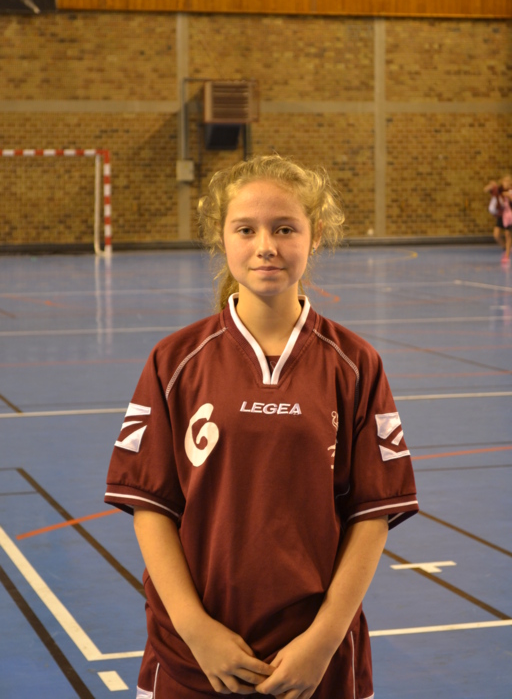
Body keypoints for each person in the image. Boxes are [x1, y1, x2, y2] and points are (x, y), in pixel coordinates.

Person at [105, 154, 419, 699]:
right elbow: (152, 506)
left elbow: (372, 514)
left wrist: (323, 641)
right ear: (221, 237)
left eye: (285, 228)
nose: (266, 246)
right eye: (246, 229)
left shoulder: (355, 364)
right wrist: (197, 631)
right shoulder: (174, 360)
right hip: (191, 657)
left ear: (314, 236)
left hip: (315, 660)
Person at [484, 175, 512, 266]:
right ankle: (505, 248)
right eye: (505, 181)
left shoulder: (510, 191)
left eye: (509, 181)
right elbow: (486, 190)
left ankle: (507, 255)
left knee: (508, 235)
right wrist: (491, 186)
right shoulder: (499, 191)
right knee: (496, 235)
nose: (507, 183)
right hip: (502, 215)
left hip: (509, 215)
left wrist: (509, 196)